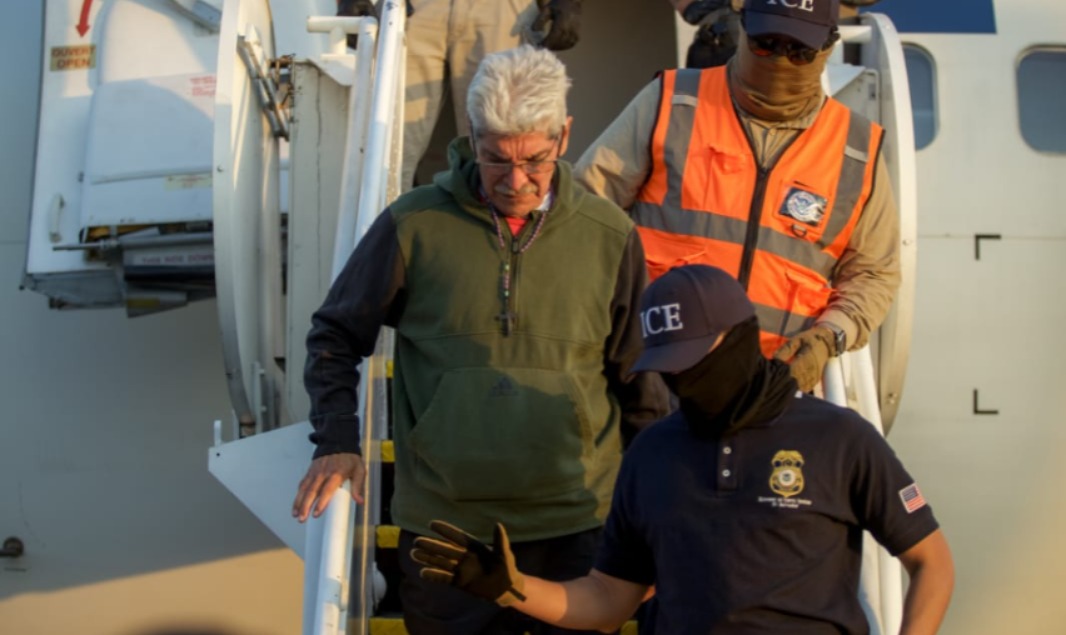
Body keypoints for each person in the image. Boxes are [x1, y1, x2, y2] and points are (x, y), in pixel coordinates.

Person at [291, 44, 669, 635]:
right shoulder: (414, 223)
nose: (515, 181)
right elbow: (335, 334)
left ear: (565, 136)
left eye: (534, 160)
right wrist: (336, 439)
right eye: (495, 159)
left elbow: (641, 382)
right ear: (471, 136)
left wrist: (657, 510)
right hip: (446, 530)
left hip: (578, 526)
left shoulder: (610, 235)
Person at [411, 264, 955, 635]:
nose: (682, 381)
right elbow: (609, 599)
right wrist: (512, 588)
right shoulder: (652, 454)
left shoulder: (839, 437)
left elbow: (931, 562)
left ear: (739, 338)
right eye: (668, 366)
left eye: (694, 360)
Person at [576, 0, 901, 392]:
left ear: (828, 48)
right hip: (652, 374)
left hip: (772, 389)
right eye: (765, 43)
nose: (779, 59)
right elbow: (586, 211)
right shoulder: (673, 101)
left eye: (798, 50)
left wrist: (829, 335)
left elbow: (874, 273)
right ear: (743, 29)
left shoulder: (856, 150)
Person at [337, 0, 584, 190]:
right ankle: (387, 237)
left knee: (506, 141)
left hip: (500, 9)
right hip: (410, 8)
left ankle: (496, 240)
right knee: (386, 148)